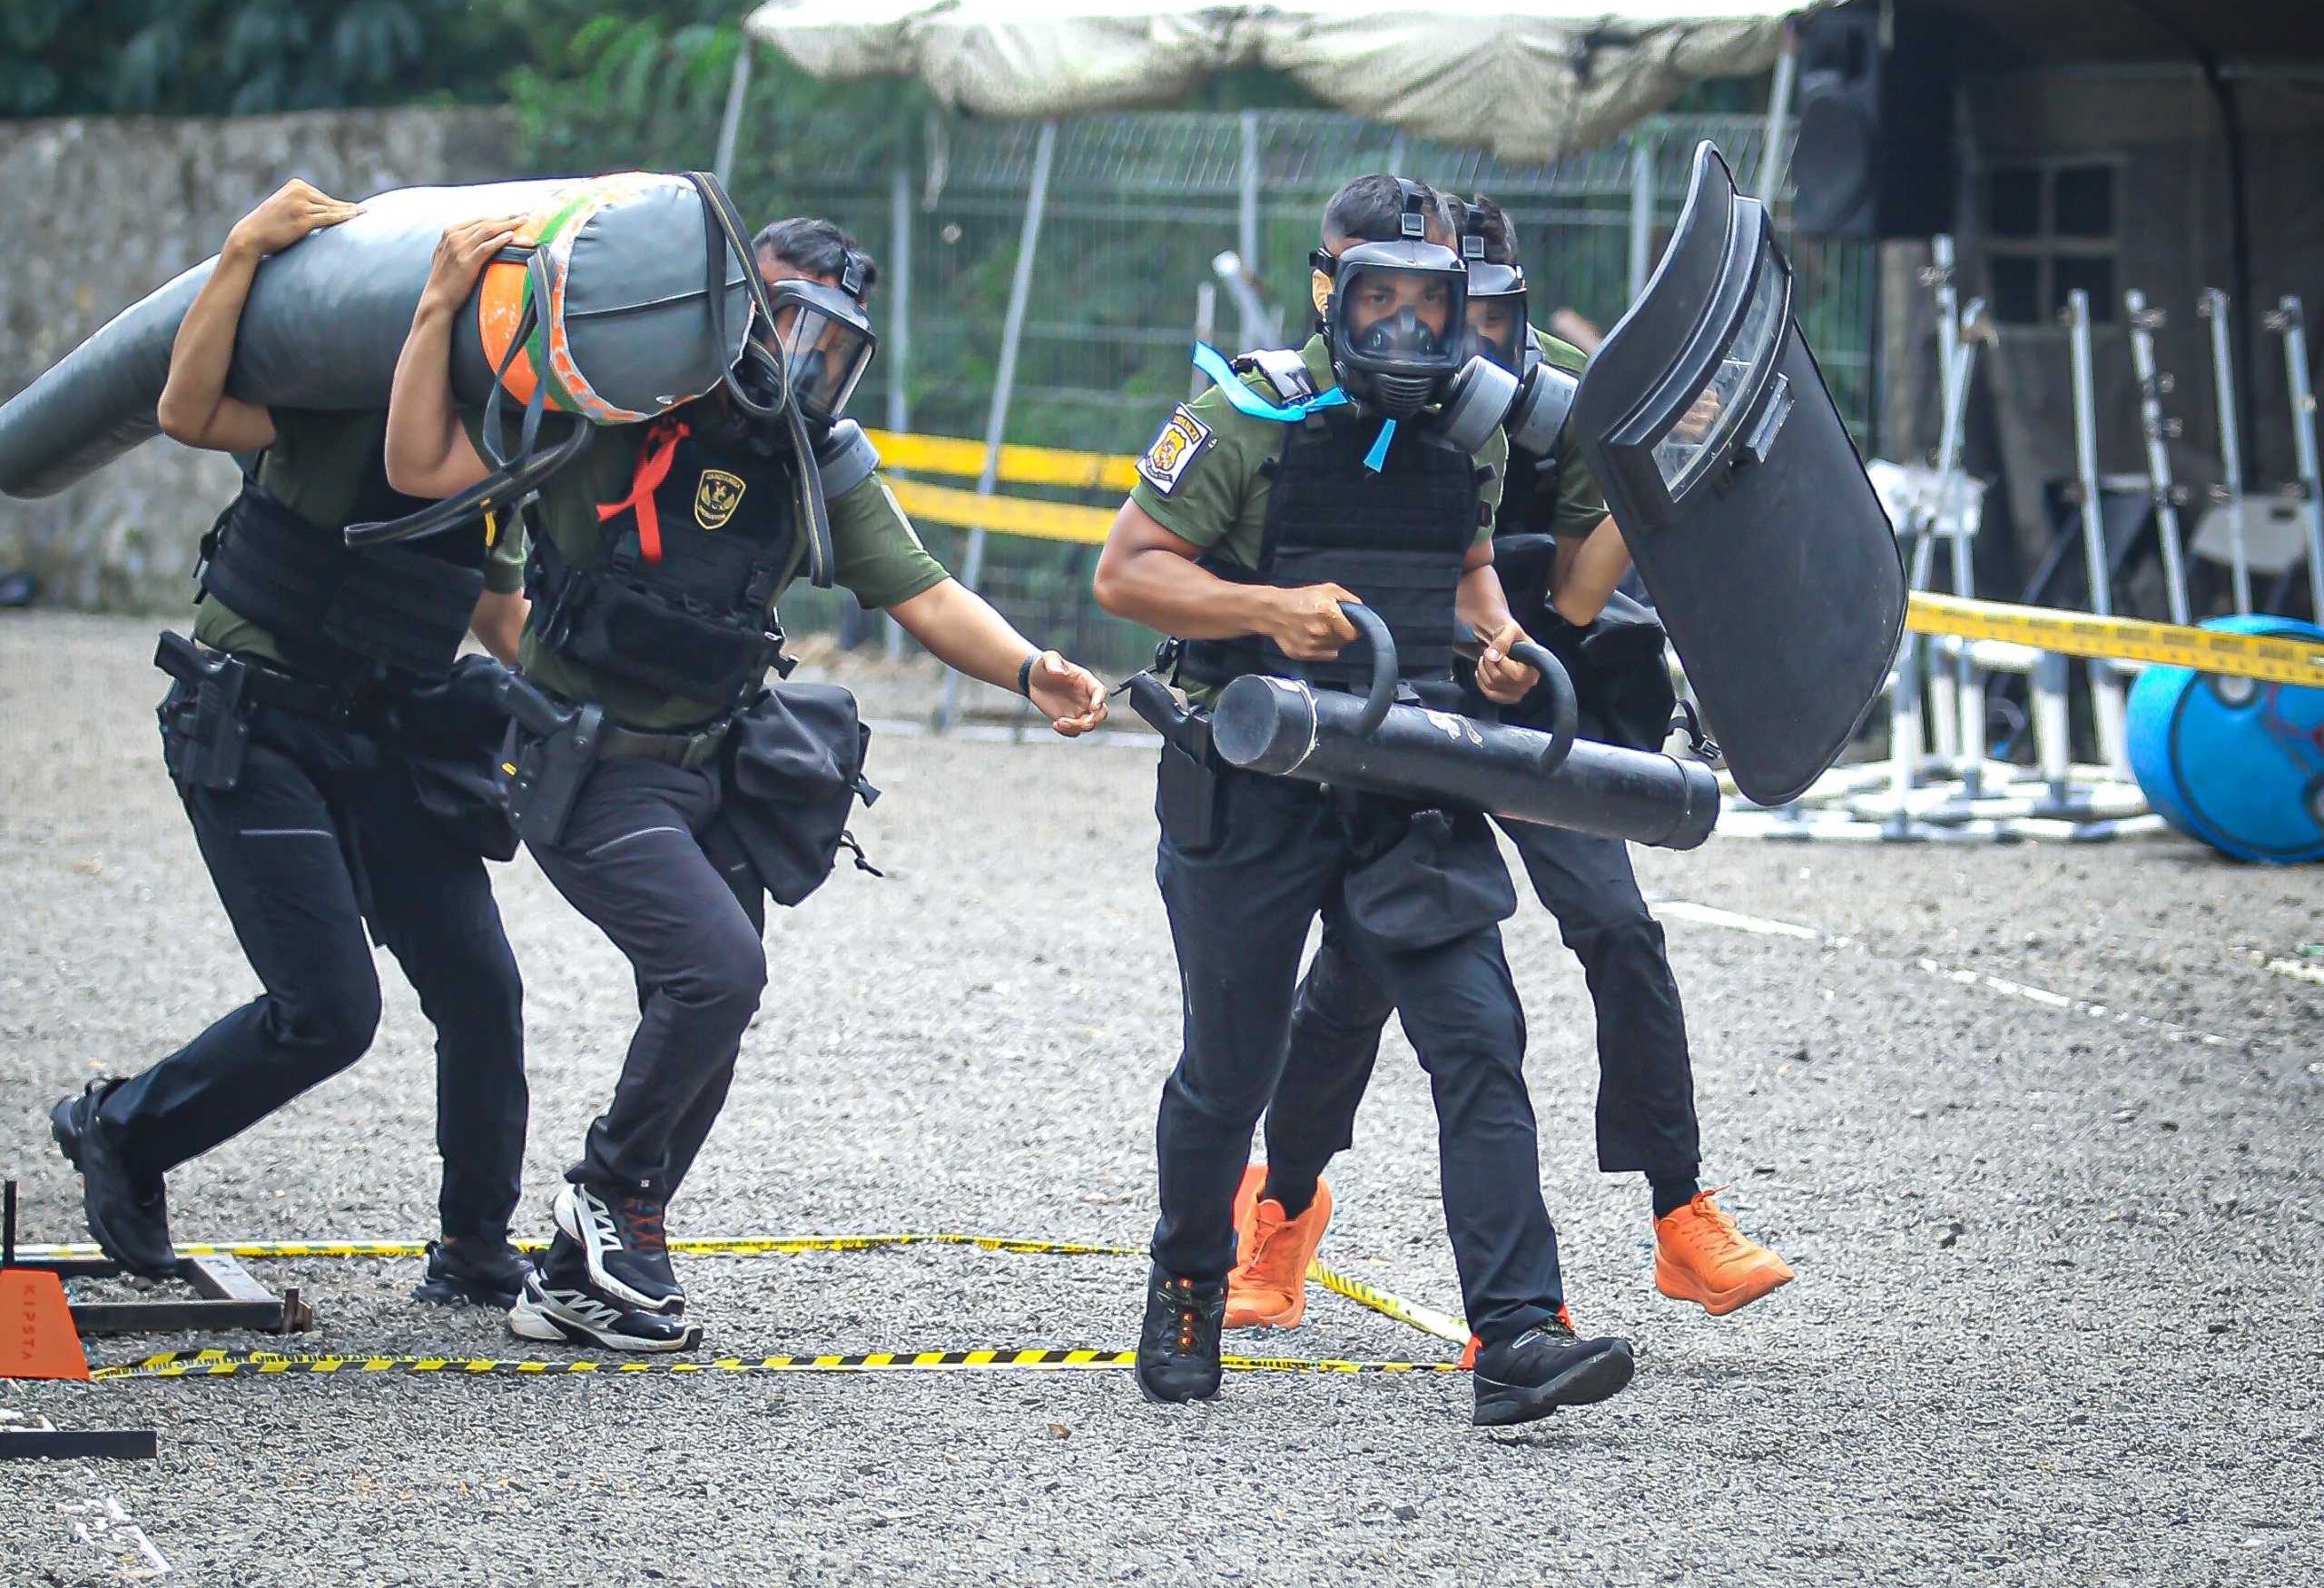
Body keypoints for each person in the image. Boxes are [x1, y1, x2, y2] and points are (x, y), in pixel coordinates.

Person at [384, 207, 1109, 1352]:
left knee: (712, 1015)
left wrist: (1031, 669)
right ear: (710, 305)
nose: (798, 356)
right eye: (779, 318)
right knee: (718, 969)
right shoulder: (605, 405)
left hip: (709, 767)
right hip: (585, 769)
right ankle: (606, 1189)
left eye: (827, 339)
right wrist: (437, 305)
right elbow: (419, 468)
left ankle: (582, 1268)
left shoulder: (810, 464)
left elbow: (922, 594)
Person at [1092, 173, 1635, 1426]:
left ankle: (1515, 1336)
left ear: (1462, 298)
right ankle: (1188, 1277)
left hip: (1405, 770)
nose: (1404, 324)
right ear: (1329, 290)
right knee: (1230, 1073)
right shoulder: (1244, 418)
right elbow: (1126, 573)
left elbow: (1466, 565)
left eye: (1428, 297)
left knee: (1478, 1037)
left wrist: (1495, 642)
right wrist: (1265, 610)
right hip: (1256, 779)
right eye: (1376, 295)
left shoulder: (1479, 423)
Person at [1226, 195, 1792, 1343]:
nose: (1447, 330)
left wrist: (1659, 463)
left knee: (1620, 928)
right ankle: (1280, 1205)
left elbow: (1579, 597)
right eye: (1434, 301)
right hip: (1400, 696)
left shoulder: (1571, 386)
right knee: (1359, 972)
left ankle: (1679, 1209)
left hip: (1535, 694)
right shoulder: (1338, 386)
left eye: (1477, 307)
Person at [51, 179, 537, 1311]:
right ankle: (118, 1128)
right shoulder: (334, 394)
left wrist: (614, 708)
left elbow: (503, 621)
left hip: (387, 736)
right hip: (252, 719)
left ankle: (474, 1245)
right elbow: (183, 406)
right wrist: (240, 251)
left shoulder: (501, 457)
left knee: (481, 984)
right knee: (328, 1010)